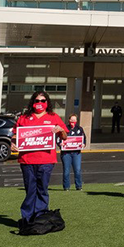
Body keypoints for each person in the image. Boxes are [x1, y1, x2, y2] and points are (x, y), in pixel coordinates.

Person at [13, 91, 68, 225]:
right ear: (33, 102)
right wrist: (12, 144)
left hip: (46, 160)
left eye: (43, 101)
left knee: (42, 189)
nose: (40, 103)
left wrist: (60, 130)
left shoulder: (53, 117)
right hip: (27, 160)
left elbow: (65, 136)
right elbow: (15, 136)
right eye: (37, 100)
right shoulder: (24, 118)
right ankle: (27, 218)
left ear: (47, 103)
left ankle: (40, 216)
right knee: (30, 189)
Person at [59, 114, 85, 191]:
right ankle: (66, 187)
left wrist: (83, 144)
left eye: (74, 120)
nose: (73, 122)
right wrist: (60, 144)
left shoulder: (80, 129)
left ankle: (79, 186)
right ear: (69, 120)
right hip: (66, 153)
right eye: (71, 120)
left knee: (77, 170)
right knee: (66, 170)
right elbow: (59, 138)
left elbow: (84, 139)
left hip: (76, 153)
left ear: (76, 121)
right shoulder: (64, 129)